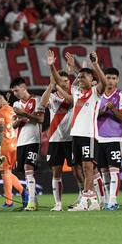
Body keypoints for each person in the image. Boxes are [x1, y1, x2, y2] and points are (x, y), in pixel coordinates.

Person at [49, 51, 107, 211]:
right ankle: (94, 201)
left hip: (89, 135)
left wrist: (95, 65)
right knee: (82, 167)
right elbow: (59, 82)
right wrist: (52, 66)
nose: (80, 80)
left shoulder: (96, 92)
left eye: (84, 77)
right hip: (76, 136)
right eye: (79, 77)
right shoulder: (76, 92)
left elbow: (104, 81)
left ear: (92, 80)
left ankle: (84, 202)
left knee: (88, 168)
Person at [41, 54, 84, 211]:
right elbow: (43, 103)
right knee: (56, 172)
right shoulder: (52, 96)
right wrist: (51, 84)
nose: (65, 83)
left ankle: (82, 198)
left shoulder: (74, 92)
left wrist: (58, 83)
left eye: (67, 80)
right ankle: (58, 203)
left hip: (71, 138)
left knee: (78, 170)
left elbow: (71, 101)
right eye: (62, 80)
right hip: (55, 139)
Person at [95, 67, 122, 211]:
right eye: (108, 78)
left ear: (118, 80)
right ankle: (108, 200)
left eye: (114, 78)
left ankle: (113, 201)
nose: (110, 81)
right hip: (98, 138)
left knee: (114, 170)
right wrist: (103, 110)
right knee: (104, 172)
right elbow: (92, 115)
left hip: (114, 138)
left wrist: (113, 108)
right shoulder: (97, 95)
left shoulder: (121, 95)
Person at [10, 77, 45, 211]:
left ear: (23, 87)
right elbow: (13, 125)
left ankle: (30, 202)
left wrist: (23, 114)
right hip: (21, 142)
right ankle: (33, 199)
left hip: (33, 140)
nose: (15, 94)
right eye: (13, 92)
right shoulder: (16, 105)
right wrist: (20, 118)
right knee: (26, 172)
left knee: (28, 167)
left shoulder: (37, 100)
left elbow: (40, 119)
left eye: (16, 90)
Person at [0, 91, 28, 208]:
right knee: (7, 172)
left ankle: (9, 201)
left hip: (5, 146)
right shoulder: (13, 109)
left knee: (5, 172)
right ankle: (24, 192)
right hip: (15, 145)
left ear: (1, 99)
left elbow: (0, 133)